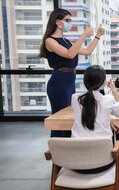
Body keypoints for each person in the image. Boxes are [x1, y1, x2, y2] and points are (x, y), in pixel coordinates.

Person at [39, 8, 105, 137]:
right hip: (59, 83)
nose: (70, 23)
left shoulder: (66, 41)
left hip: (69, 82)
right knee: (59, 120)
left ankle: (66, 150)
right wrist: (84, 34)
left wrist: (97, 36)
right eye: (67, 20)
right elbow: (69, 54)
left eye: (71, 20)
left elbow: (86, 51)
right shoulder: (50, 41)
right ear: (58, 22)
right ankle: (57, 151)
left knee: (69, 119)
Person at [71, 65, 119, 174]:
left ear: (84, 81)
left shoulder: (75, 98)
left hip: (76, 164)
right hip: (103, 163)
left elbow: (90, 111)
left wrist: (108, 119)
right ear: (103, 83)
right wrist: (114, 91)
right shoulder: (108, 100)